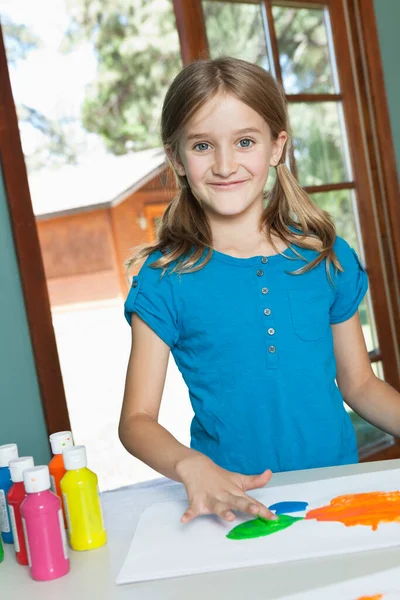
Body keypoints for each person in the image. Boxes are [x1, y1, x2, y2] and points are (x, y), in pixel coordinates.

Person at [119, 57, 400, 525]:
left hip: (337, 499)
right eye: (203, 145)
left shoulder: (325, 255)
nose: (226, 165)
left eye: (245, 142)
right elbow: (136, 421)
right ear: (177, 159)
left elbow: (361, 384)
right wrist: (193, 466)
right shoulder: (163, 276)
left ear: (276, 147)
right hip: (231, 508)